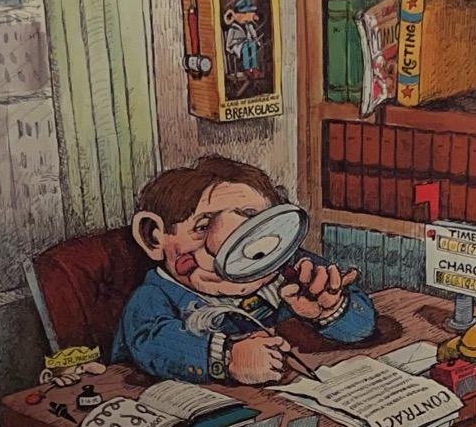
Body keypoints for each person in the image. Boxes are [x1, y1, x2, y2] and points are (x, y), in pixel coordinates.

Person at [112, 156, 375, 385]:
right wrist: (226, 357)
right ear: (154, 237)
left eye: (254, 223)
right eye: (202, 227)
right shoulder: (155, 295)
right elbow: (151, 342)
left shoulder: (291, 266)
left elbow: (361, 326)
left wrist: (331, 309)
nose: (238, 249)